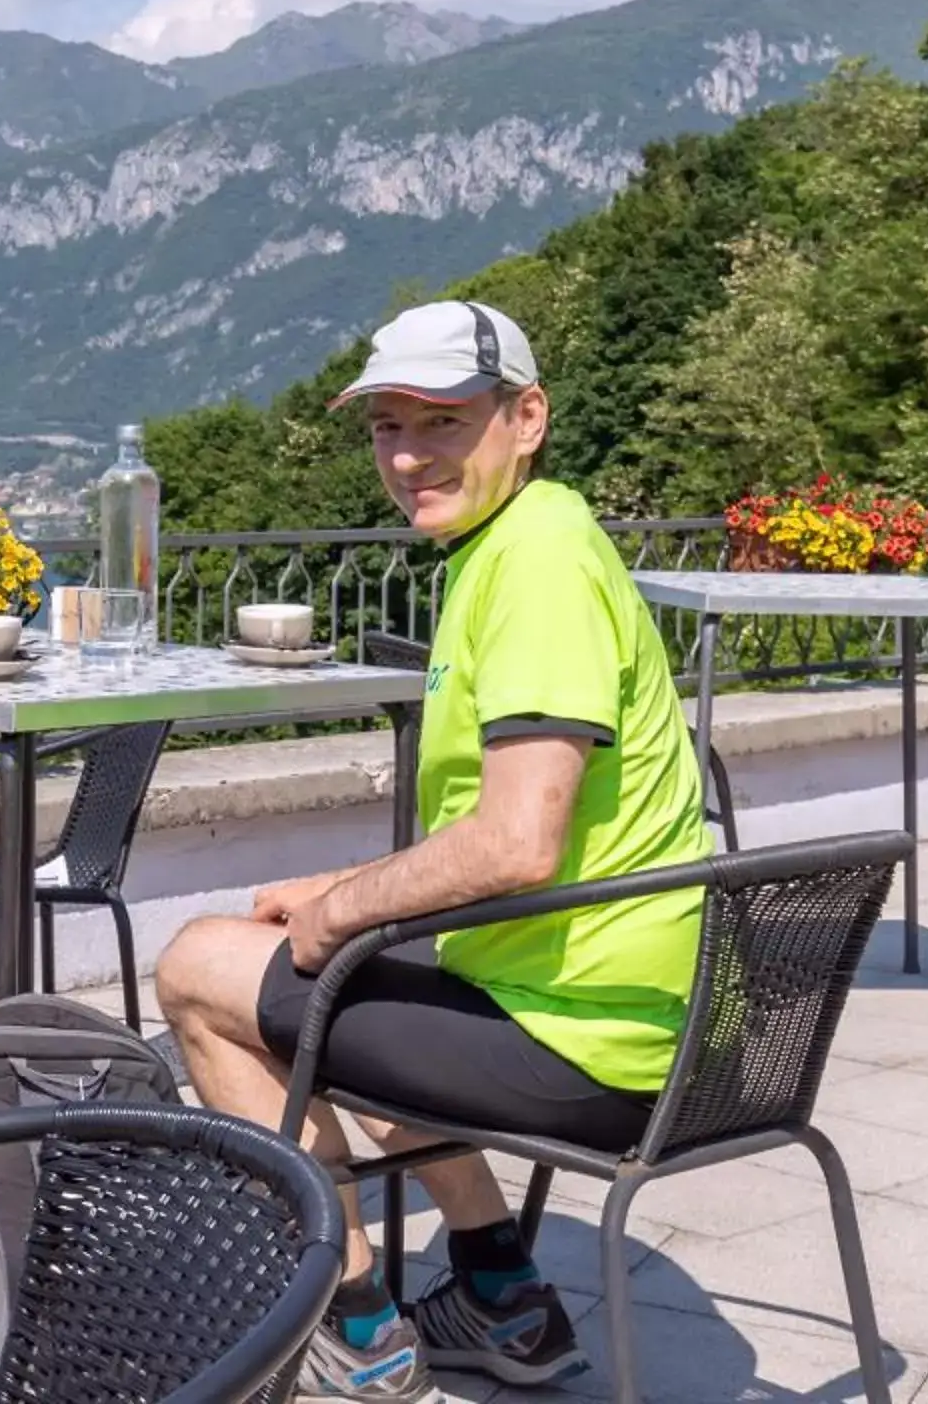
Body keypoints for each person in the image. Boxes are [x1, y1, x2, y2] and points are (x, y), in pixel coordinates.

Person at [154, 301, 709, 1400]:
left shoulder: (536, 563)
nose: (408, 455)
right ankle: (503, 1293)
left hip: (586, 1042)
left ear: (528, 415)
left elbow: (518, 841)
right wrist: (339, 891)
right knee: (335, 960)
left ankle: (353, 1323)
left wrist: (343, 909)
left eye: (442, 421)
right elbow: (507, 837)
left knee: (197, 968)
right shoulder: (516, 539)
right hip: (613, 1007)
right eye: (386, 428)